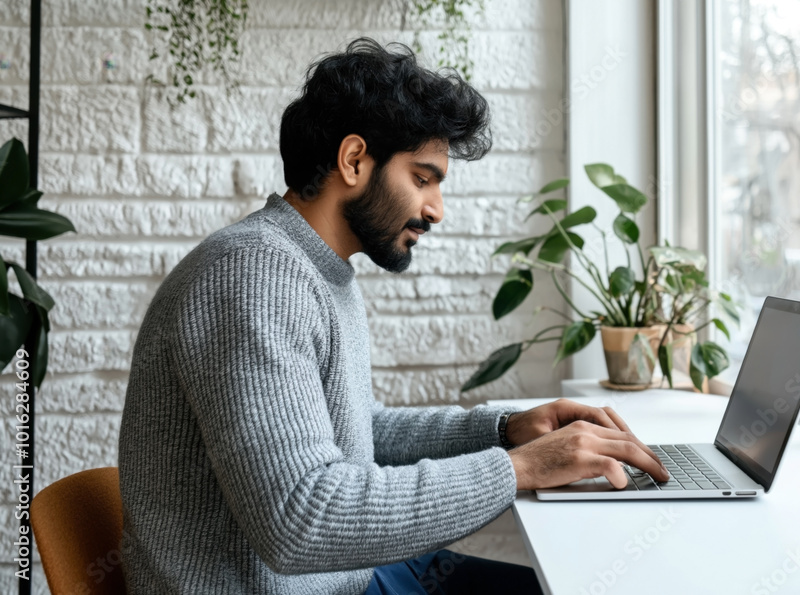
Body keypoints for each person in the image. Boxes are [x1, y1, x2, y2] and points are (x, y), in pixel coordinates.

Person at [117, 37, 668, 595]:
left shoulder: (314, 267)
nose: (436, 210)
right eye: (422, 178)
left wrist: (506, 431)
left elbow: (357, 432)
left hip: (352, 582)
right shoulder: (255, 275)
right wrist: (522, 469)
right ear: (354, 160)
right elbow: (301, 521)